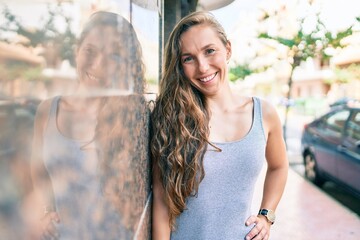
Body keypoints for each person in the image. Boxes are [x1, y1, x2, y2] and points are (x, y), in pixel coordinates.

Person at [151, 11, 288, 240]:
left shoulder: (264, 114)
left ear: (228, 50)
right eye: (188, 58)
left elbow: (279, 167)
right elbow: (161, 199)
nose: (203, 67)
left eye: (209, 51)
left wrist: (266, 215)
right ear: (180, 66)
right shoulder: (172, 120)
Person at [30, 11, 145, 239]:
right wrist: (45, 212)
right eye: (90, 51)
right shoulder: (47, 110)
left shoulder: (134, 115)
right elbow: (38, 173)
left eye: (113, 55)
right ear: (76, 51)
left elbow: (147, 201)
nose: (98, 64)